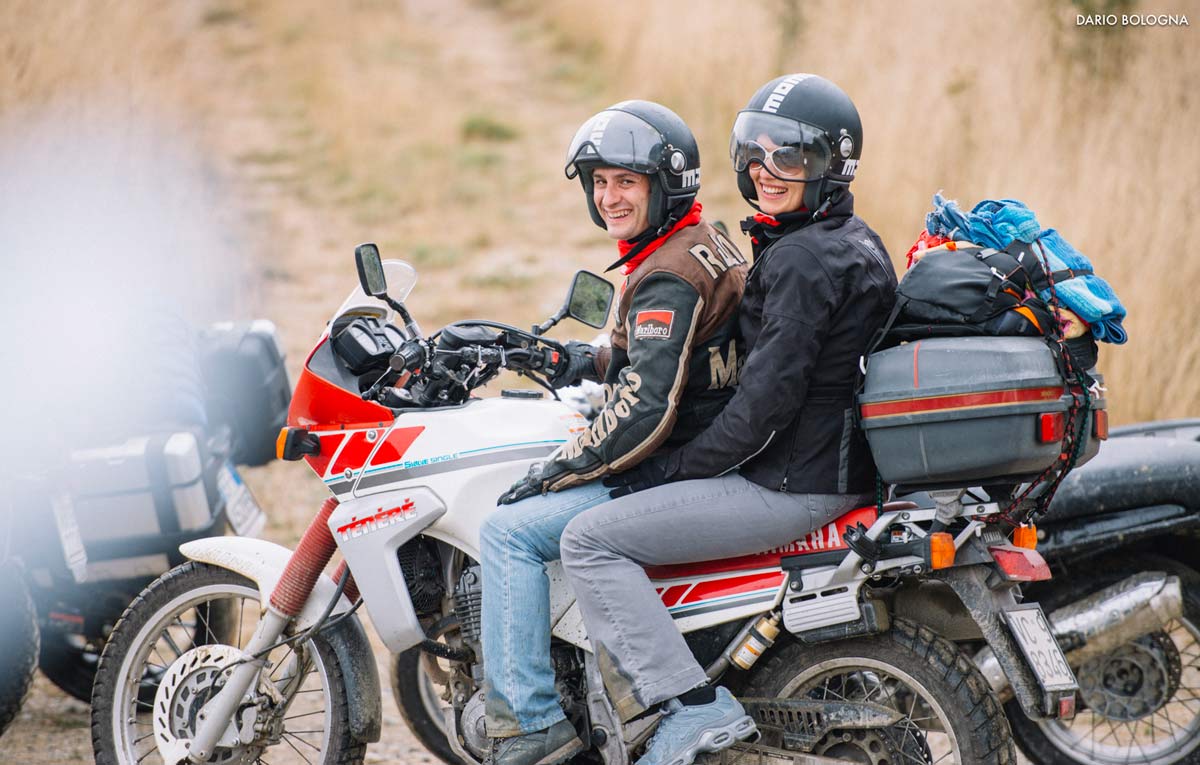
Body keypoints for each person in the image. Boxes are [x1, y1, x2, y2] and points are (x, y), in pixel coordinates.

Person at [556, 74, 900, 765]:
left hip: (792, 483)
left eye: (788, 157)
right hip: (832, 469)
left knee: (588, 540)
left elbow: (761, 409)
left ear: (831, 163)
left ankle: (689, 709)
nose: (766, 171)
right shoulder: (847, 237)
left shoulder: (799, 259)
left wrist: (666, 469)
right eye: (754, 154)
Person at [481, 100, 748, 765]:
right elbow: (672, 358)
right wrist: (585, 359)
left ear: (665, 184)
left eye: (626, 181)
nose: (609, 197)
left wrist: (555, 469)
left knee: (507, 531)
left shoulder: (666, 275)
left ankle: (529, 724)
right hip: (707, 444)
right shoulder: (699, 240)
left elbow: (642, 412)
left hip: (674, 462)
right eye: (599, 182)